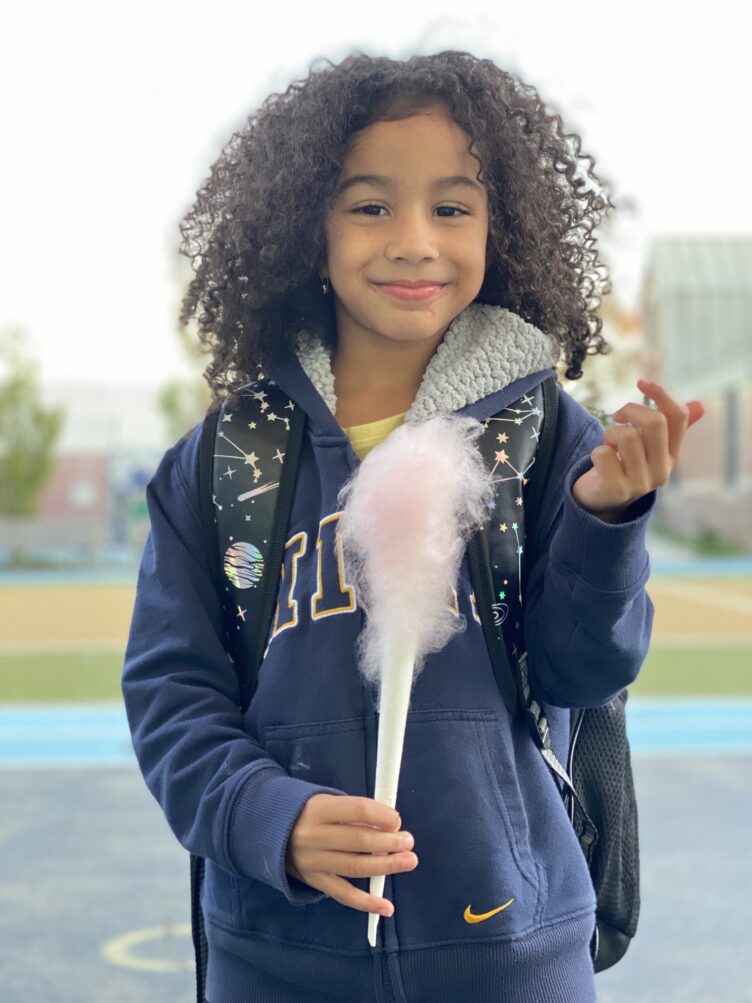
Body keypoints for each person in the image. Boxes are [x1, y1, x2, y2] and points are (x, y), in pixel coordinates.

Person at [122, 50, 703, 1003]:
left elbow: (582, 673)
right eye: (369, 205)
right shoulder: (222, 461)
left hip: (514, 954)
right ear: (307, 232)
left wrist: (606, 521)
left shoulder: (552, 437)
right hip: (276, 958)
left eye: (451, 207)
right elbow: (171, 695)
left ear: (497, 230)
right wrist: (268, 814)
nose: (413, 241)